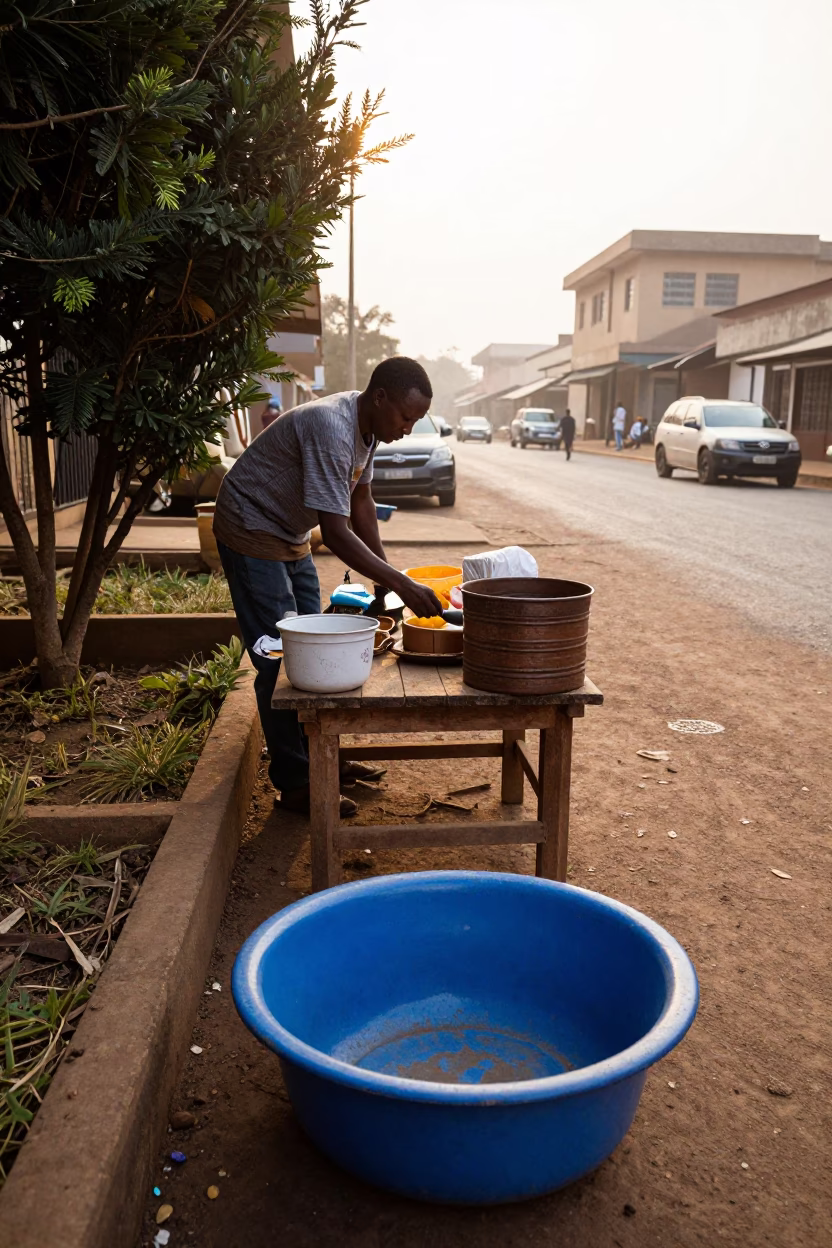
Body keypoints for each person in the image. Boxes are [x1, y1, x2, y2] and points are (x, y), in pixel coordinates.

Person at [213, 357, 443, 818]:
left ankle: (320, 758)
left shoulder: (370, 430)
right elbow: (336, 533)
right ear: (379, 398)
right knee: (277, 656)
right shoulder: (331, 428)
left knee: (312, 650)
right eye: (405, 417)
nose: (408, 428)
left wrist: (383, 579)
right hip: (250, 524)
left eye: (416, 420)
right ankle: (297, 784)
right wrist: (402, 583)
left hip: (288, 533)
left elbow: (362, 501)